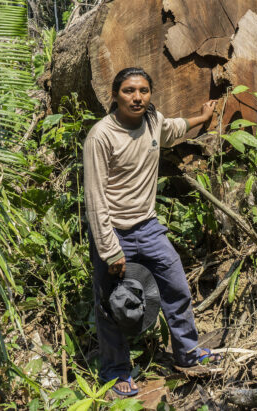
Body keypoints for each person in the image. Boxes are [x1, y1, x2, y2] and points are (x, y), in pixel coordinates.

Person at [83, 67, 221, 397]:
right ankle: (115, 373)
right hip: (113, 232)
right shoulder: (101, 136)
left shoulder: (152, 122)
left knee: (175, 286)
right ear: (115, 95)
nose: (137, 97)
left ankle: (187, 353)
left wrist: (201, 119)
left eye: (144, 90)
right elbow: (95, 198)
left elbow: (175, 129)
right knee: (113, 305)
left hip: (148, 227)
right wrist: (110, 249)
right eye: (129, 91)